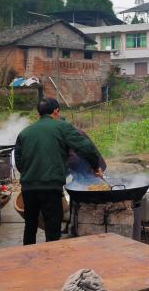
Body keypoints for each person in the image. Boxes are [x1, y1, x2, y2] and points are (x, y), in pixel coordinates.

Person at [15, 98, 102, 245]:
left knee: (30, 227)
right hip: (50, 188)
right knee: (53, 230)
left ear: (39, 113)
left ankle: (28, 262)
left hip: (28, 189)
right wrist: (95, 166)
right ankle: (53, 262)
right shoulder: (62, 127)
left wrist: (31, 173)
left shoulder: (24, 133)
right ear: (56, 111)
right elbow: (86, 148)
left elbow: (18, 162)